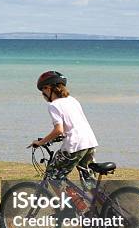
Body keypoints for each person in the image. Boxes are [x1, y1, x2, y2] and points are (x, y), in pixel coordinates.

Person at [30, 71, 98, 203]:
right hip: (89, 142)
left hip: (75, 145)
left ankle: (70, 206)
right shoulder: (73, 100)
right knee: (88, 179)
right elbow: (73, 125)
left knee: (52, 175)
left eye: (42, 90)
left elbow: (59, 130)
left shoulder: (53, 105)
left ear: (48, 88)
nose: (42, 95)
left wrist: (41, 142)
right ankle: (100, 207)